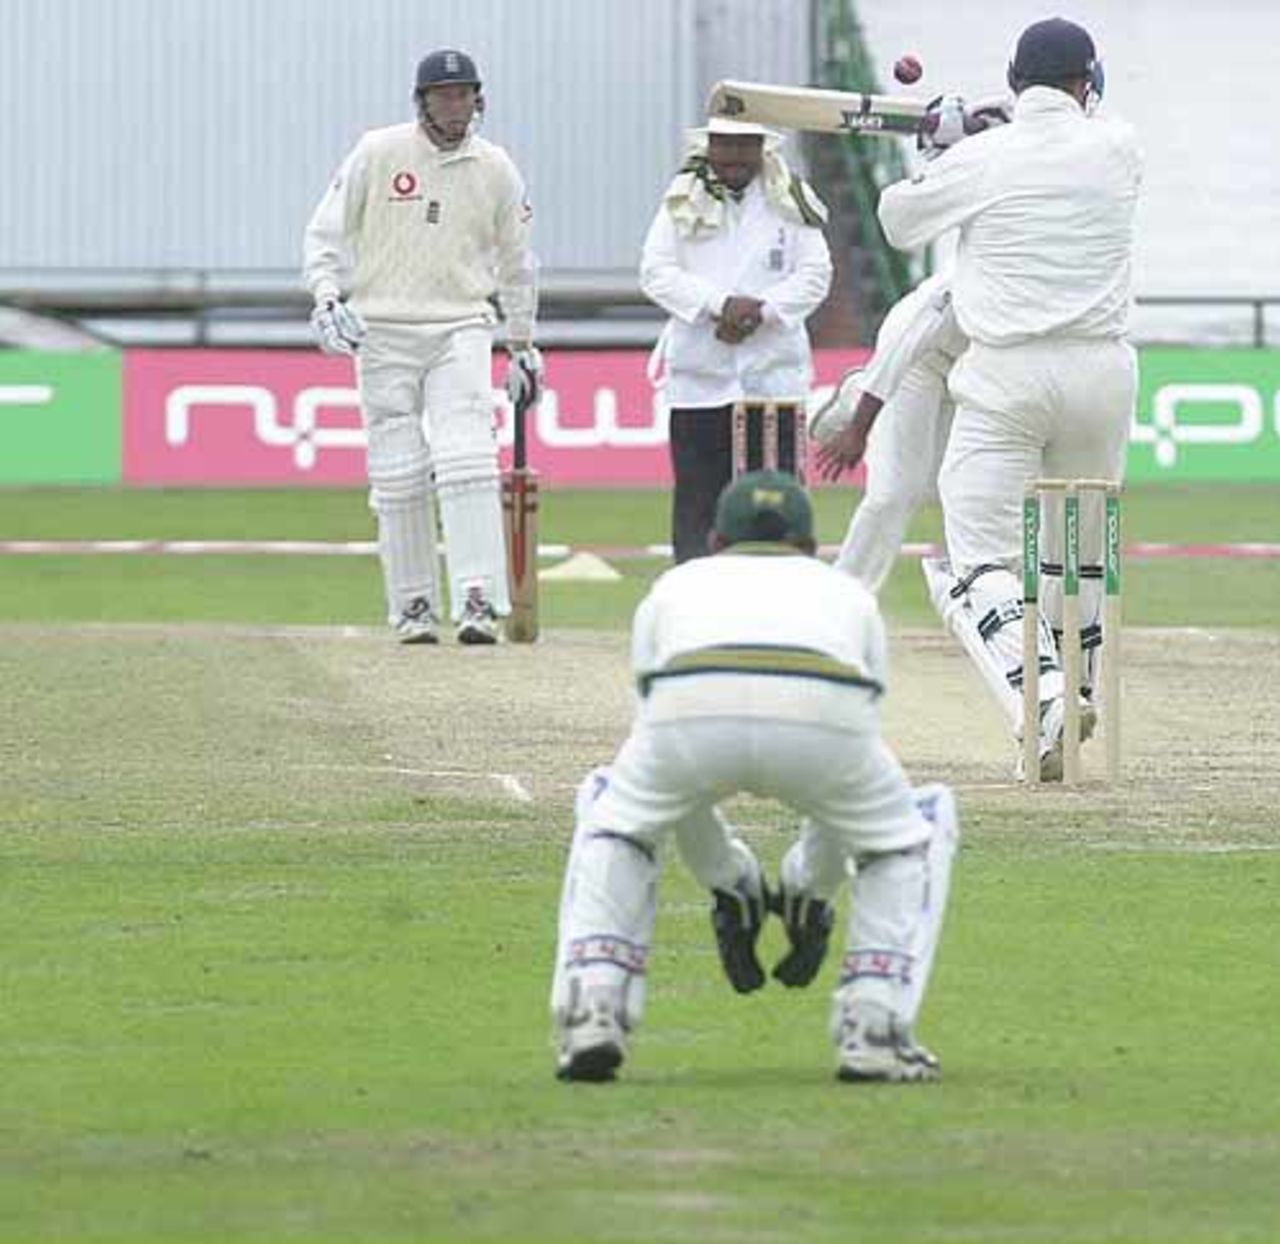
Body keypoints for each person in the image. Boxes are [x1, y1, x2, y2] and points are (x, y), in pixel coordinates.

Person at [550, 471, 959, 1084]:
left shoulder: (674, 585)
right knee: (906, 836)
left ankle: (593, 1010)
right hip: (826, 712)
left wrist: (729, 878)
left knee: (618, 817)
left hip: (688, 706)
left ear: (715, 540)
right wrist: (809, 888)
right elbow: (843, 787)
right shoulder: (847, 594)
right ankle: (874, 1026)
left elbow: (669, 771)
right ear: (809, 547)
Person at [875, 18, 1141, 778]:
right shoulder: (1122, 147)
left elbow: (896, 221)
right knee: (1082, 556)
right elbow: (1060, 139)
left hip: (1008, 374)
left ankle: (1050, 702)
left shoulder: (985, 158)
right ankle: (1073, 705)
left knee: (978, 559)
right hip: (1101, 373)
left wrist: (937, 149)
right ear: (1086, 79)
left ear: (1015, 78)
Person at [303, 48, 544, 645]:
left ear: (478, 99)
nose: (456, 105)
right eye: (445, 95)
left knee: (466, 461)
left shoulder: (495, 167)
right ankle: (412, 605)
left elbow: (518, 262)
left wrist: (521, 342)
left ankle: (478, 598)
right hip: (382, 329)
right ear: (423, 101)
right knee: (399, 474)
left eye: (465, 94)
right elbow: (325, 231)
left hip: (460, 325)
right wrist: (327, 298)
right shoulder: (379, 152)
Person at [640, 117, 833, 563]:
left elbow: (816, 273)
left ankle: (784, 607)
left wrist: (758, 312)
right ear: (709, 148)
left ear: (761, 149)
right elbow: (655, 272)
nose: (732, 158)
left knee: (779, 502)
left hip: (774, 381)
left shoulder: (789, 198)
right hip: (700, 380)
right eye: (723, 145)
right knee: (698, 504)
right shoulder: (681, 199)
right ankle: (692, 609)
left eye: (743, 146)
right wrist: (718, 305)